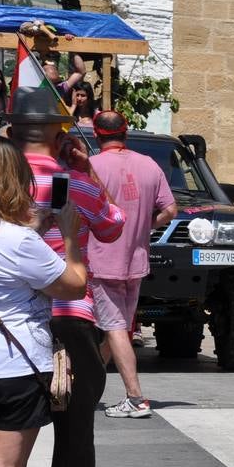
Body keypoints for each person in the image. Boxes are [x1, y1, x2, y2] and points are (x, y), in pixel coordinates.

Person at [8, 84, 124, 467]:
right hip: (71, 318)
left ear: (11, 133)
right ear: (61, 135)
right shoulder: (73, 180)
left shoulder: (3, 184)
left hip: (10, 323)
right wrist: (86, 168)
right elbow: (113, 225)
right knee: (75, 436)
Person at [0, 142, 90, 467]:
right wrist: (70, 237)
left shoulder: (18, 238)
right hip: (11, 369)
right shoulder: (17, 241)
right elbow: (74, 284)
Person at [87, 111, 177, 418]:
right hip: (136, 259)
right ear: (125, 133)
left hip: (102, 259)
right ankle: (86, 385)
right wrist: (145, 226)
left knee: (114, 328)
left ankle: (135, 397)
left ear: (98, 135)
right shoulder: (149, 164)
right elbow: (170, 209)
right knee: (119, 328)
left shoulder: (91, 165)